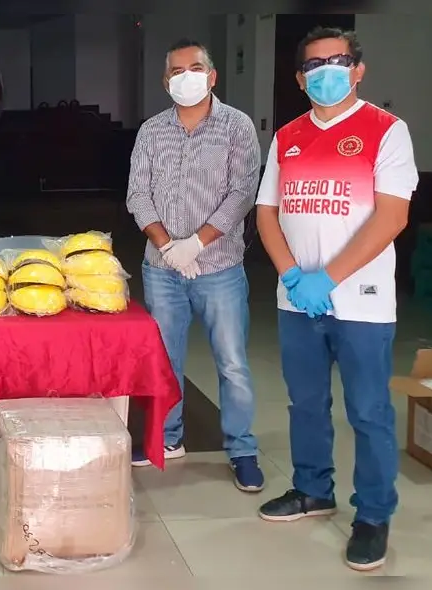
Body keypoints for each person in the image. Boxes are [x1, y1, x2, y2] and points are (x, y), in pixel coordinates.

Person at [254, 28, 417, 572]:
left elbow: (392, 216)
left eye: (339, 60)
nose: (327, 71)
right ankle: (311, 489)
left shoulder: (386, 131)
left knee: (368, 412)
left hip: (363, 303)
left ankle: (372, 515)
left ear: (358, 69)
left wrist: (329, 277)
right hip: (296, 298)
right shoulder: (286, 137)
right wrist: (294, 276)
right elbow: (266, 213)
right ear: (300, 78)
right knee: (305, 404)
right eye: (315, 64)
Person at [125, 39, 264, 493]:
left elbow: (243, 193)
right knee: (166, 359)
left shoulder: (237, 127)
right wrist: (169, 247)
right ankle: (167, 439)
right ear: (166, 81)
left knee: (232, 362)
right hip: (162, 269)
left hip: (219, 267)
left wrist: (196, 244)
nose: (186, 76)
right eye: (177, 71)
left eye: (196, 67)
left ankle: (242, 448)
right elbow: (138, 195)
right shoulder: (151, 131)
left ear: (212, 75)